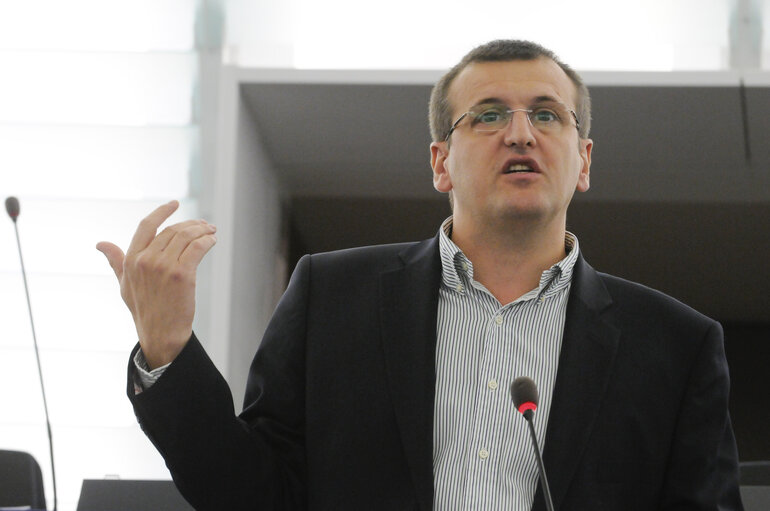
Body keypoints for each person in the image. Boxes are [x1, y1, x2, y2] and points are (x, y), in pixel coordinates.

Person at [97, 40, 743, 510]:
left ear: (584, 162)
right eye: (487, 114)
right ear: (440, 162)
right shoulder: (330, 298)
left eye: (547, 114)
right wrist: (169, 350)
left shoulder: (676, 346)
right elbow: (251, 495)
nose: (520, 133)